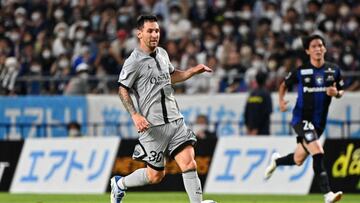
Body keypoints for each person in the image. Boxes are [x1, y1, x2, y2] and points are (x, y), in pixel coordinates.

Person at [111, 15, 212, 203]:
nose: (155, 34)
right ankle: (120, 184)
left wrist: (192, 71)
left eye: (157, 30)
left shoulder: (163, 54)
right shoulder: (133, 61)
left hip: (175, 121)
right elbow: (122, 89)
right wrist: (135, 115)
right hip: (153, 127)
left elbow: (171, 76)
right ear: (139, 33)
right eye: (150, 30)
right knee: (155, 176)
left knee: (189, 163)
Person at [264, 34, 344, 203]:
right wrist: (281, 101)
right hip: (301, 119)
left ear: (325, 49)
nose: (318, 48)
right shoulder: (301, 71)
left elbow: (340, 90)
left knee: (298, 159)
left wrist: (336, 93)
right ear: (308, 51)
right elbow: (283, 85)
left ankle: (277, 161)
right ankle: (327, 194)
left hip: (319, 123)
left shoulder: (334, 70)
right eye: (313, 46)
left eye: (320, 45)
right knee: (318, 151)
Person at [244, 71, 272, 135]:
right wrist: (256, 128)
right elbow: (267, 112)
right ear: (265, 81)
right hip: (262, 130)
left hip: (251, 130)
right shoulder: (266, 94)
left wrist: (248, 127)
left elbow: (246, 112)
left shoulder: (252, 94)